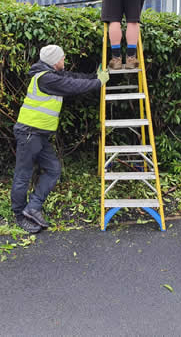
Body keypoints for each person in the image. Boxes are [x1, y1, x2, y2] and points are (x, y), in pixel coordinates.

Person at [11, 44, 110, 233]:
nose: (64, 60)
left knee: (53, 169)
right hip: (29, 133)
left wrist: (95, 76)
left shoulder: (51, 74)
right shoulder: (46, 78)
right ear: (54, 61)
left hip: (39, 134)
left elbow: (73, 78)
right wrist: (98, 83)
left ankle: (33, 207)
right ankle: (19, 215)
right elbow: (72, 86)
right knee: (23, 175)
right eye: (62, 58)